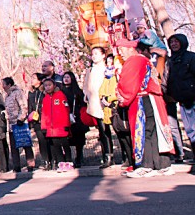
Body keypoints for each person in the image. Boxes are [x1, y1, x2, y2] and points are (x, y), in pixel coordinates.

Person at [115, 39, 174, 177]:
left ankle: (145, 165)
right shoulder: (143, 60)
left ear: (130, 49)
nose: (120, 53)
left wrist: (121, 97)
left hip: (142, 100)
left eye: (122, 50)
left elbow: (128, 84)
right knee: (155, 132)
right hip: (153, 98)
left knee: (143, 131)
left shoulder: (134, 61)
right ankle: (162, 164)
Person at [83, 47, 115, 168]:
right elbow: (86, 85)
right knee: (102, 130)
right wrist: (86, 94)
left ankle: (117, 155)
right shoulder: (90, 70)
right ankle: (106, 155)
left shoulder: (106, 69)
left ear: (103, 55)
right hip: (94, 102)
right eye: (92, 54)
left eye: (97, 54)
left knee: (110, 129)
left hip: (105, 101)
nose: (94, 56)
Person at [166, 34, 195, 159]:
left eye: (176, 41)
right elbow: (168, 80)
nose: (174, 44)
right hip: (182, 102)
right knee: (190, 132)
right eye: (171, 42)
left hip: (193, 99)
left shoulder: (191, 57)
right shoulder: (171, 61)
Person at [2, 77, 35, 172]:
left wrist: (21, 118)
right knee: (13, 146)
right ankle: (16, 166)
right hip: (12, 124)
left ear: (9, 85)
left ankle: (30, 164)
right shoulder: (7, 95)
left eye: (4, 84)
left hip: (20, 123)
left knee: (25, 144)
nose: (3, 86)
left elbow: (23, 106)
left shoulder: (18, 92)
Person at [40, 78, 73, 172]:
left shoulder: (60, 95)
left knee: (65, 145)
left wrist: (67, 124)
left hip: (61, 126)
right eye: (45, 85)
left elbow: (66, 111)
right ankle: (61, 163)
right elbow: (44, 113)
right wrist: (44, 127)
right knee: (56, 146)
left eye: (49, 85)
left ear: (54, 85)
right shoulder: (45, 98)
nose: (47, 87)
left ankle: (69, 162)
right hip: (51, 128)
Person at [60, 71, 88, 168]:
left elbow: (83, 104)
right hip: (64, 117)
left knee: (79, 140)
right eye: (64, 77)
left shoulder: (77, 91)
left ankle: (79, 158)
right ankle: (67, 159)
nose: (66, 79)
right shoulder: (60, 91)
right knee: (66, 140)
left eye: (68, 77)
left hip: (77, 117)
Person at [27, 73, 50, 169]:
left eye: (34, 78)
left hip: (45, 118)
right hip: (36, 121)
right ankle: (45, 161)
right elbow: (30, 107)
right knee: (41, 141)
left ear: (39, 80)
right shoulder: (31, 93)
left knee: (48, 140)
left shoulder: (44, 91)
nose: (32, 80)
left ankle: (52, 160)